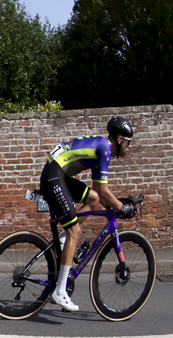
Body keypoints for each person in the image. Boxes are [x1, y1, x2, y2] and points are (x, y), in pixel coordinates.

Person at [39, 116, 136, 312]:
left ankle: (64, 238)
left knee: (94, 200)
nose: (129, 147)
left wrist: (115, 203)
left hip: (60, 173)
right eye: (128, 142)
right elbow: (105, 191)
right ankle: (59, 292)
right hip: (54, 174)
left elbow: (100, 192)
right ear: (119, 139)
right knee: (76, 230)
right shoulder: (105, 148)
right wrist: (121, 208)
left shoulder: (102, 147)